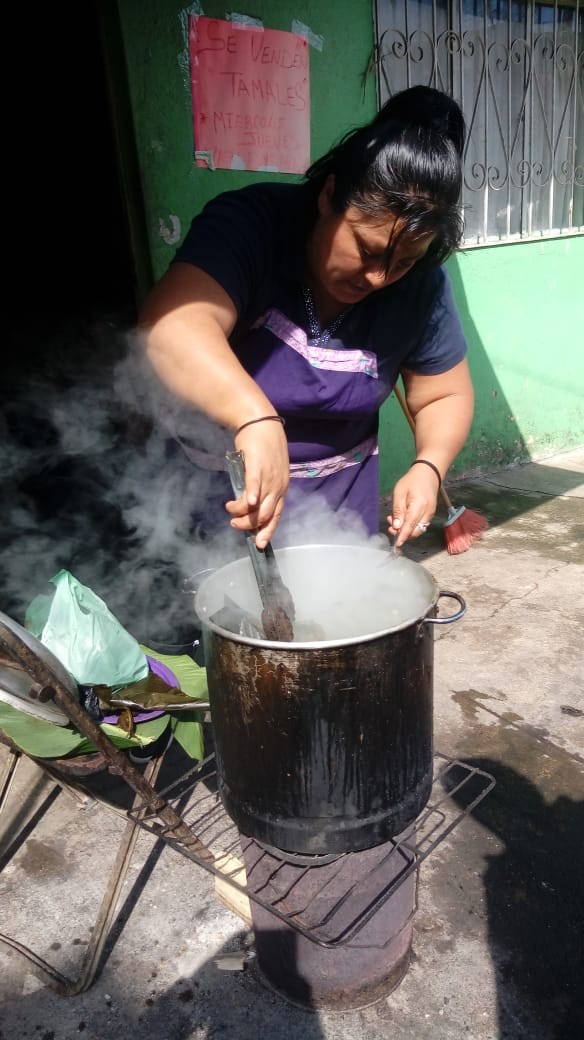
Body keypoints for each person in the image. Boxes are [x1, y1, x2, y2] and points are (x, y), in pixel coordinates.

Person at [138, 85, 474, 550]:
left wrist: (429, 466)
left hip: (338, 514)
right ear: (329, 195)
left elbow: (443, 393)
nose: (379, 278)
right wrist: (254, 418)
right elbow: (171, 327)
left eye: (403, 263)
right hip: (210, 503)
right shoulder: (251, 225)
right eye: (367, 250)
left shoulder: (423, 286)